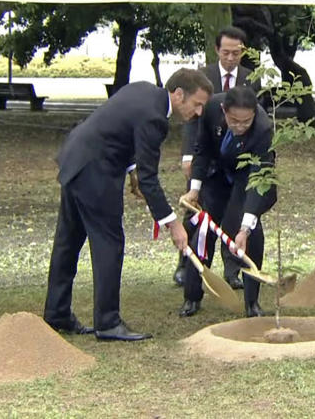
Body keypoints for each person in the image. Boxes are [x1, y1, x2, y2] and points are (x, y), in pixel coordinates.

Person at [43, 68, 212, 341]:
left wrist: (131, 167)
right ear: (179, 94)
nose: (200, 112)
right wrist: (172, 223)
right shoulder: (155, 118)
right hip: (95, 173)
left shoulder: (144, 90)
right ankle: (108, 322)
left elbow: (120, 129)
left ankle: (56, 312)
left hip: (75, 160)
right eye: (198, 104)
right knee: (109, 244)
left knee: (68, 242)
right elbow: (149, 179)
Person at [179, 86, 276, 318]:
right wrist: (195, 189)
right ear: (224, 111)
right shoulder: (212, 108)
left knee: (250, 234)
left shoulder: (263, 129)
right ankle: (192, 296)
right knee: (203, 230)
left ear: (255, 113)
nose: (240, 127)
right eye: (234, 121)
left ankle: (251, 302)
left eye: (246, 122)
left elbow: (258, 180)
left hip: (247, 178)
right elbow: (201, 150)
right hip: (217, 174)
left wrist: (245, 227)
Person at [175, 26, 260, 289]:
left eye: (237, 53)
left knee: (234, 216)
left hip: (237, 163)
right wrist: (189, 153)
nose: (232, 57)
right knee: (197, 215)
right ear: (217, 50)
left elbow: (256, 120)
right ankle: (187, 266)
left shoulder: (252, 77)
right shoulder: (203, 75)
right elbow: (194, 117)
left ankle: (232, 269)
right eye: (226, 52)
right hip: (206, 155)